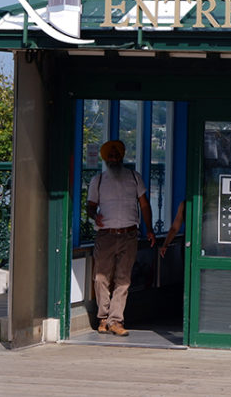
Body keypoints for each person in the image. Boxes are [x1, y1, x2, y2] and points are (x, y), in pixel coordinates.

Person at [87, 140, 156, 336]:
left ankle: (115, 320)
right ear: (105, 159)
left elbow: (144, 205)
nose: (114, 158)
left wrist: (149, 229)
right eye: (111, 156)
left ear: (122, 157)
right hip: (106, 235)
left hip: (129, 234)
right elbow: (90, 206)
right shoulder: (98, 180)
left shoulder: (134, 178)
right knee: (101, 278)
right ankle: (102, 317)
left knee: (123, 279)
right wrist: (95, 216)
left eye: (116, 155)